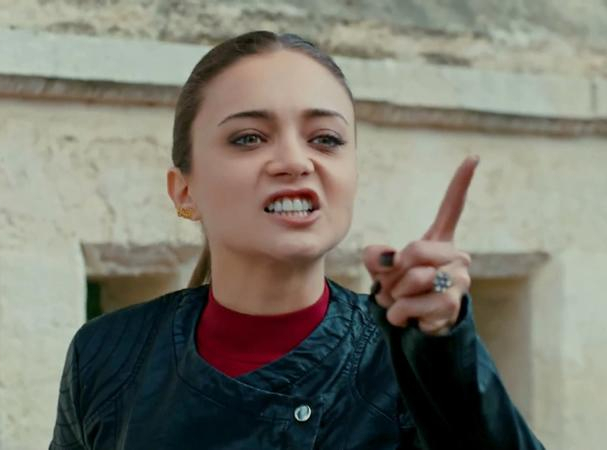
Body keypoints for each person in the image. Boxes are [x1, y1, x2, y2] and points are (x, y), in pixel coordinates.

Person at [49, 31, 544, 450]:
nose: (294, 161)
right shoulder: (107, 354)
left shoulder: (406, 359)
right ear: (184, 191)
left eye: (325, 139)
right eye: (248, 138)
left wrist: (444, 344)